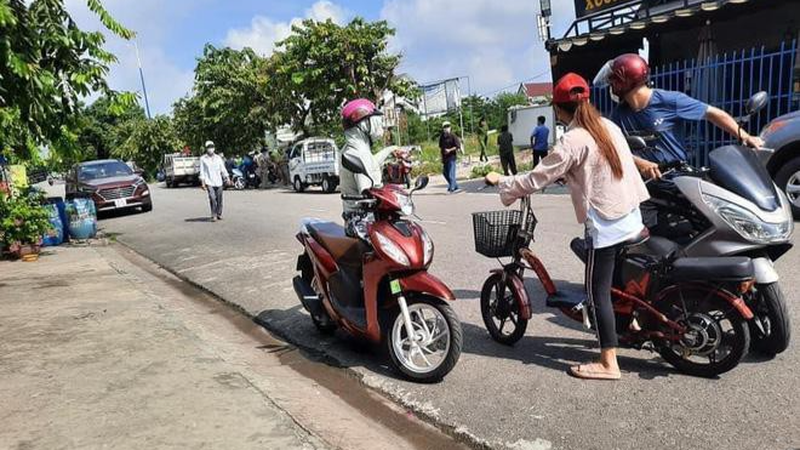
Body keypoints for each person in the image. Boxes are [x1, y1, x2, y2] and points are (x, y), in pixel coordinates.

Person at [485, 73, 649, 380]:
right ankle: (632, 324)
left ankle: (608, 362)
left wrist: (502, 182)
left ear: (558, 110)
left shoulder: (572, 139)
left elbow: (535, 178)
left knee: (595, 290)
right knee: (616, 284)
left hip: (608, 225)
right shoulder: (606, 126)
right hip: (631, 216)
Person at [604, 53, 764, 180]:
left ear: (625, 81)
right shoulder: (618, 114)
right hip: (645, 187)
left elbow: (712, 113)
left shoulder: (669, 100)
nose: (611, 86)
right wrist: (640, 163)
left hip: (679, 180)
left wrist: (745, 136)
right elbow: (614, 148)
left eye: (614, 81)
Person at [338, 98, 398, 236]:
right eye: (375, 121)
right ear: (363, 124)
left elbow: (370, 164)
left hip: (360, 219)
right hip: (362, 224)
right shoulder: (356, 153)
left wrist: (391, 150)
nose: (380, 126)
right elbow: (367, 191)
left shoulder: (354, 148)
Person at [199, 140, 231, 222]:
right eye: (209, 147)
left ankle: (219, 213)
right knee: (212, 198)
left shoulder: (218, 158)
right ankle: (213, 215)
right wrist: (203, 183)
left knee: (219, 199)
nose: (211, 149)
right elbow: (202, 171)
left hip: (219, 181)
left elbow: (222, 169)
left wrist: (227, 178)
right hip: (209, 181)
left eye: (212, 147)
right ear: (206, 149)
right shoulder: (203, 159)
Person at [439, 121, 462, 193]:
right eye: (445, 127)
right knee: (445, 173)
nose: (446, 128)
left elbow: (458, 146)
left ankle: (452, 188)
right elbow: (440, 147)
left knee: (451, 173)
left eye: (448, 126)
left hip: (452, 157)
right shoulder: (442, 137)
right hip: (445, 158)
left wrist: (450, 150)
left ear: (450, 127)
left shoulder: (453, 136)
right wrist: (441, 157)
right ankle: (455, 186)